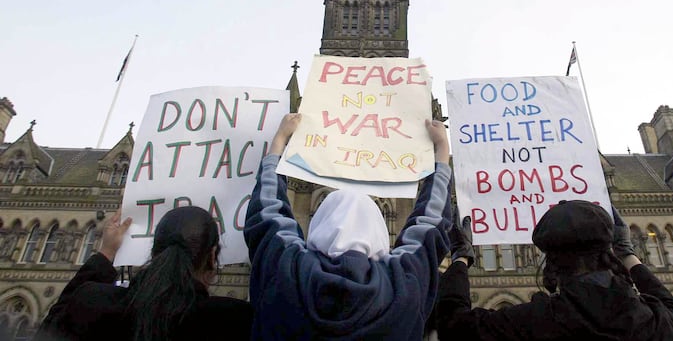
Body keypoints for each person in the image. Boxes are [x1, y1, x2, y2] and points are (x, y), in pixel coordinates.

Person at [244, 113, 453, 340]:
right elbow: (430, 222)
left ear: (320, 224)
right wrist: (441, 150)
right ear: (378, 232)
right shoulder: (403, 286)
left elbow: (267, 211)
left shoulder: (286, 271)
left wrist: (280, 140)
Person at [437, 200, 673, 341]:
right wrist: (628, 255)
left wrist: (461, 258)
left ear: (549, 262)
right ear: (608, 251)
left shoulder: (537, 321)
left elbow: (453, 326)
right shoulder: (655, 321)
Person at [34, 206, 253, 341]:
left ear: (154, 250)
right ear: (212, 257)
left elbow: (48, 330)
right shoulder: (233, 321)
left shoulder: (91, 302)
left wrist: (106, 252)